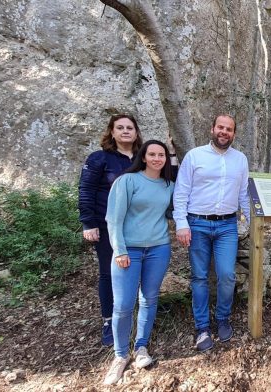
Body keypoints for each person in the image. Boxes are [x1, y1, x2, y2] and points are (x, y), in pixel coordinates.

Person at [173, 114, 250, 352]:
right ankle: (202, 327)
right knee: (199, 276)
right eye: (220, 127)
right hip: (197, 224)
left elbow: (244, 193)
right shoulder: (195, 156)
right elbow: (181, 191)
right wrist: (181, 223)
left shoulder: (240, 159)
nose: (224, 132)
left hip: (227, 225)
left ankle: (222, 318)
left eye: (229, 129)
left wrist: (252, 220)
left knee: (227, 275)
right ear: (212, 128)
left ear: (234, 134)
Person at [102, 140, 176, 385]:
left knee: (149, 298)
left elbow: (174, 211)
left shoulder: (168, 185)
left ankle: (141, 347)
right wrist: (119, 250)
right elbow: (113, 218)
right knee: (123, 304)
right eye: (152, 154)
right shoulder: (127, 181)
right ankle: (120, 355)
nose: (157, 158)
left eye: (161, 155)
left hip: (158, 248)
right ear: (143, 157)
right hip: (128, 251)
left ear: (166, 158)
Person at [79, 114, 143, 346]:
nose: (125, 131)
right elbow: (86, 190)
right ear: (112, 132)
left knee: (135, 270)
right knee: (109, 272)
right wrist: (89, 223)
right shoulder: (99, 159)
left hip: (137, 226)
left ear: (136, 133)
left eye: (130, 128)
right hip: (108, 226)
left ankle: (133, 315)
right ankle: (109, 320)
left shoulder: (142, 158)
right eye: (120, 128)